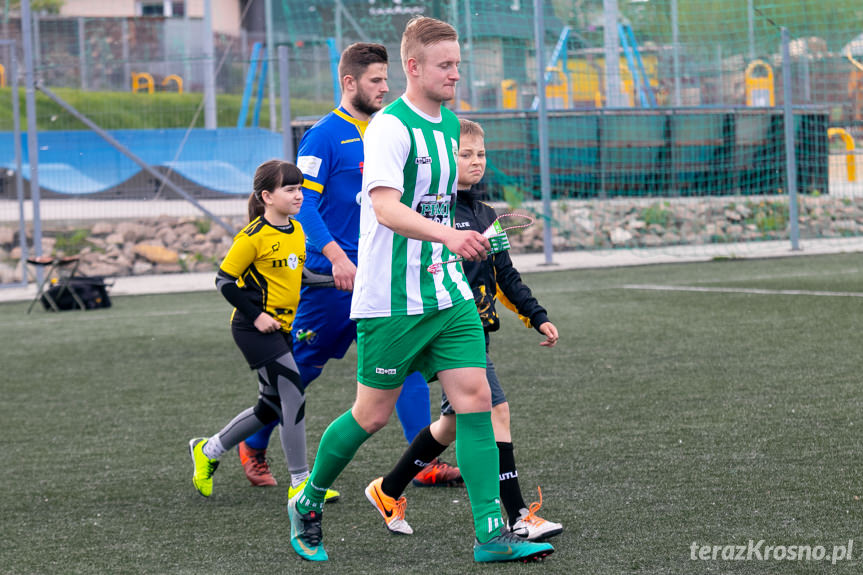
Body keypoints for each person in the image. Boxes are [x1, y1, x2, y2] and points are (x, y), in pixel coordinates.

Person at [287, 16, 554, 563]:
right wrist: (450, 235)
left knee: (476, 402)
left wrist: (474, 233)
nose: (456, 73)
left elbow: (440, 202)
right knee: (372, 415)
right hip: (390, 297)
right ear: (414, 67)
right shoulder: (389, 126)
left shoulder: (450, 125)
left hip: (446, 291)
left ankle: (490, 535)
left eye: (458, 64)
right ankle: (309, 498)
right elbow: (385, 207)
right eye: (445, 66)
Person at [235, 42, 461, 492]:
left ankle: (422, 464)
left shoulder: (393, 127)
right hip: (331, 279)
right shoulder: (323, 135)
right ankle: (252, 442)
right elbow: (305, 205)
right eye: (375, 80)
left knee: (410, 362)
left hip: (381, 274)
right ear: (349, 82)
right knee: (301, 370)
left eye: (385, 78)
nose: (384, 87)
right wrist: (337, 257)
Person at [365, 118, 564, 541]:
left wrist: (537, 315)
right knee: (496, 413)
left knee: (453, 425)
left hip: (476, 331)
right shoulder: (428, 213)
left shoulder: (485, 214)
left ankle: (388, 488)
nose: (475, 162)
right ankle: (518, 515)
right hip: (445, 327)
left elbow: (505, 275)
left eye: (481, 154)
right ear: (440, 160)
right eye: (465, 154)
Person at [188, 160, 312, 498]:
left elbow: (300, 276)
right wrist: (257, 315)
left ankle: (208, 450)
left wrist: (341, 280)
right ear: (267, 196)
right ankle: (302, 483)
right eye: (290, 189)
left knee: (269, 406)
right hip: (252, 329)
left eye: (300, 188)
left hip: (282, 329)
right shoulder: (252, 236)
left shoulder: (297, 230)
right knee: (293, 394)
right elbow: (224, 281)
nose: (298, 195)